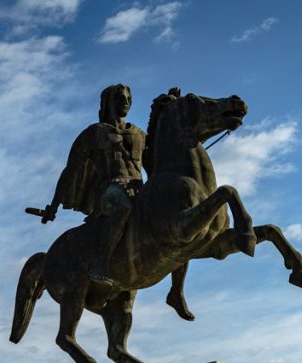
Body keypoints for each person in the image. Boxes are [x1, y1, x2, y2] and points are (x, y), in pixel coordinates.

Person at [39, 85, 194, 319]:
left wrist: (171, 105)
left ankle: (176, 290)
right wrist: (53, 205)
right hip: (110, 190)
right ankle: (100, 264)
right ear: (108, 102)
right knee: (123, 209)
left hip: (138, 187)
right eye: (120, 98)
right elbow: (71, 171)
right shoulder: (94, 133)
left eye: (129, 99)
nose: (125, 102)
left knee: (178, 225)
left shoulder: (139, 134)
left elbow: (156, 158)